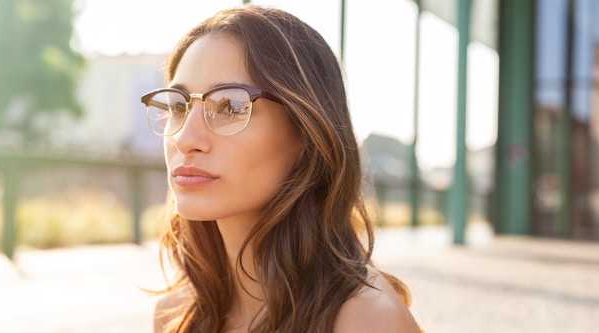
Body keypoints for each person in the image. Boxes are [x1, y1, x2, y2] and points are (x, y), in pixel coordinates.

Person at [141, 5, 421, 332]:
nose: (185, 139)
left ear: (307, 133)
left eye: (230, 106)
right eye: (178, 105)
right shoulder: (177, 316)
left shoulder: (366, 321)